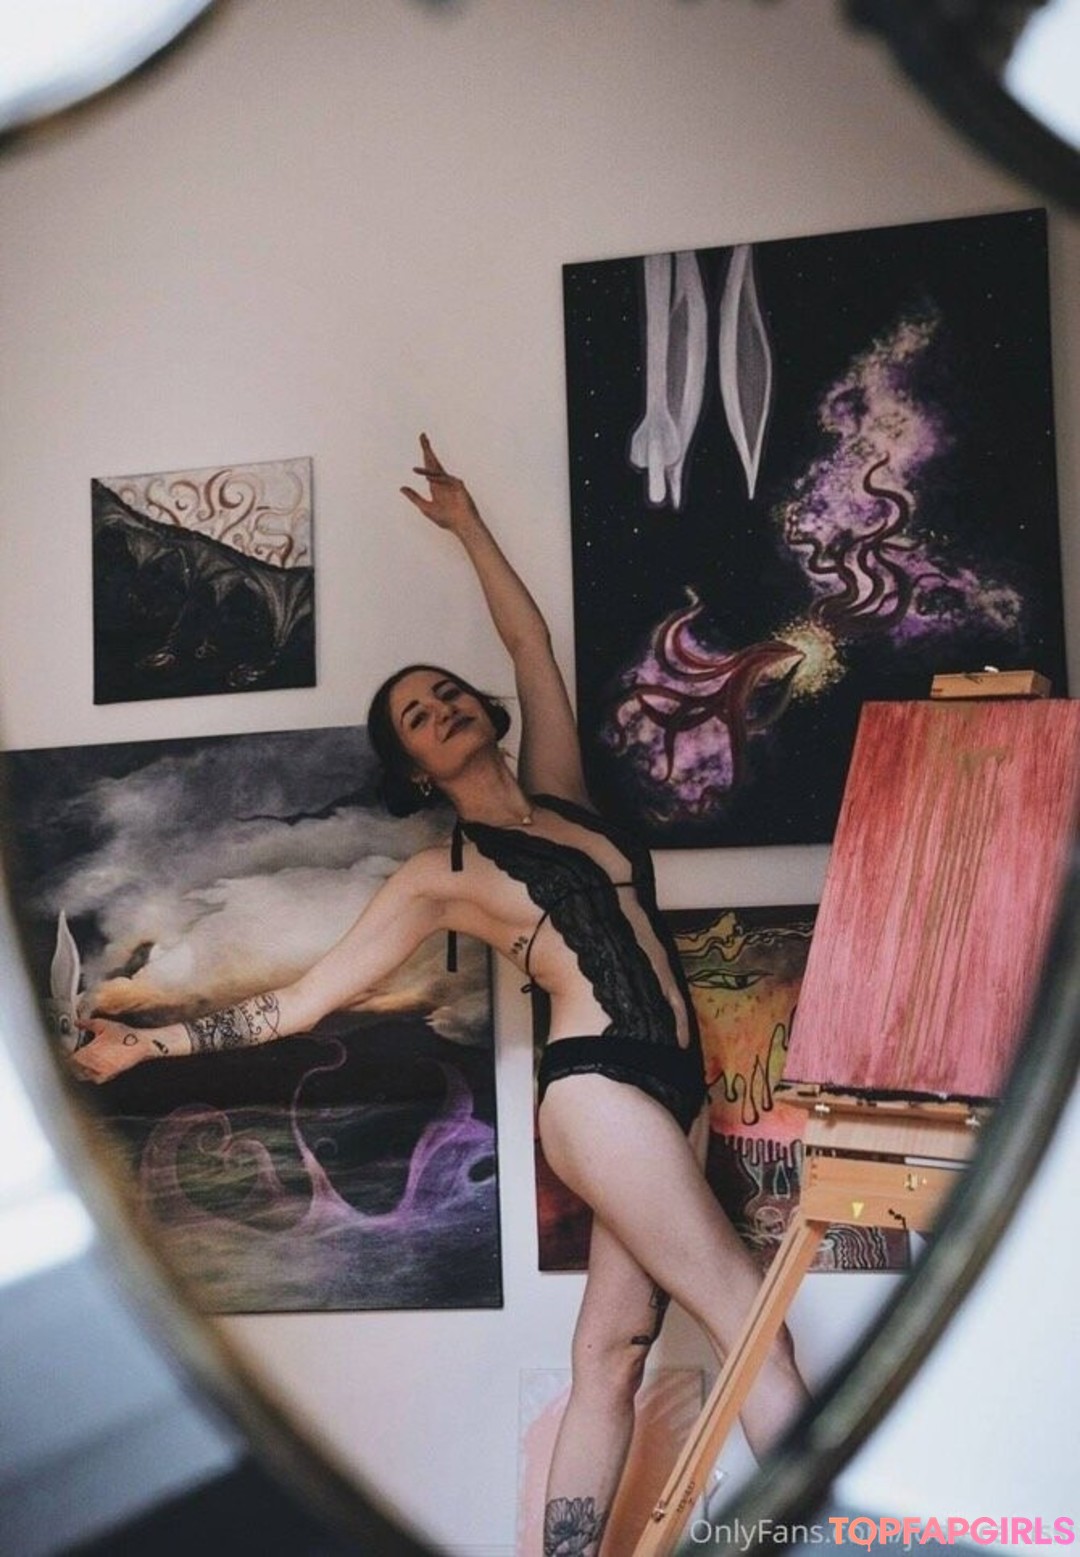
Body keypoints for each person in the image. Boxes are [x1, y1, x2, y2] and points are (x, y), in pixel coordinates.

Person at [72, 435, 809, 1557]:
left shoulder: (564, 797)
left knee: (609, 1355)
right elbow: (303, 1002)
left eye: (448, 693)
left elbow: (529, 642)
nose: (444, 707)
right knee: (755, 1324)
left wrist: (468, 524)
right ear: (415, 768)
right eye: (419, 715)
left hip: (677, 1090)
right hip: (598, 1092)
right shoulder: (439, 876)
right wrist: (151, 1046)